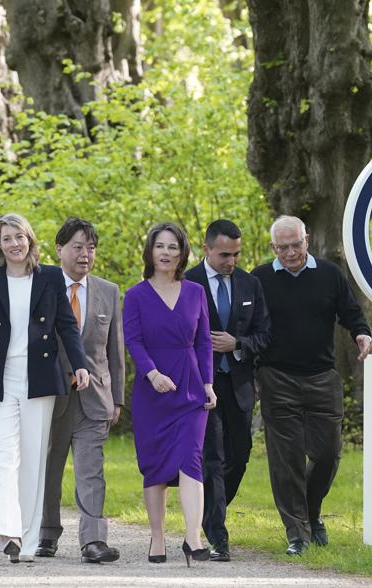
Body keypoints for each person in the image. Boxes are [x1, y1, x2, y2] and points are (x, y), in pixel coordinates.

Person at [0, 213, 89, 563]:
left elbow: (66, 325)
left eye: (19, 236)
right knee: (3, 458)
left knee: (33, 459)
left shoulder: (49, 277)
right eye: (6, 238)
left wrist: (79, 364)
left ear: (30, 240)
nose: (14, 244)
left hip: (40, 379)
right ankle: (9, 532)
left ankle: (29, 542)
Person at [250, 215, 372, 556]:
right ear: (273, 247)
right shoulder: (259, 279)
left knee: (328, 453)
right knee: (285, 458)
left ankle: (311, 511)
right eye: (283, 247)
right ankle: (298, 533)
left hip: (321, 376)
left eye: (296, 244)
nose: (291, 253)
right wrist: (252, 374)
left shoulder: (330, 274)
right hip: (277, 377)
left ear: (307, 239)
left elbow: (351, 312)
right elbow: (249, 328)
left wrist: (362, 333)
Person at [123, 221, 216, 567]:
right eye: (160, 246)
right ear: (150, 252)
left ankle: (193, 537)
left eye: (173, 247)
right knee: (156, 466)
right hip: (153, 390)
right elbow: (133, 340)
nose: (166, 253)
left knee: (191, 459)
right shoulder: (135, 295)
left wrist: (207, 382)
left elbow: (204, 340)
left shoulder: (195, 293)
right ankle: (158, 537)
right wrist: (152, 373)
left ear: (182, 253)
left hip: (191, 388)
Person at [37, 217, 125, 564]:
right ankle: (46, 534)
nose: (85, 254)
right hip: (51, 395)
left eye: (90, 247)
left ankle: (93, 541)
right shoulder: (41, 286)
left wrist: (117, 398)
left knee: (92, 471)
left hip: (95, 399)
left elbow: (115, 352)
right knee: (49, 468)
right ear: (59, 250)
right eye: (77, 246)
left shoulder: (109, 291)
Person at [185, 219, 270, 562]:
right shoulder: (188, 282)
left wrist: (238, 344)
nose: (231, 261)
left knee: (240, 455)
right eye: (224, 254)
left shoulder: (250, 284)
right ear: (206, 249)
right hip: (201, 386)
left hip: (238, 385)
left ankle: (207, 513)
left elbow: (265, 334)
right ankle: (218, 536)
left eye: (235, 254)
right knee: (213, 458)